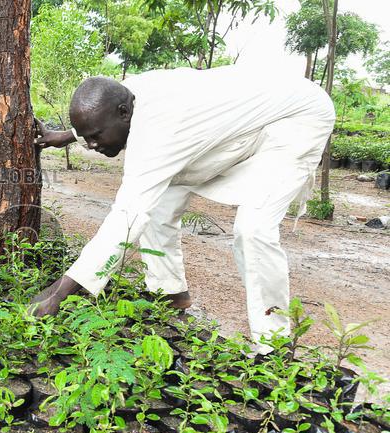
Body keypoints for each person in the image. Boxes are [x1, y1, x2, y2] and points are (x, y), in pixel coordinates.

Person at [30, 65, 335, 352]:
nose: (92, 144)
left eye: (96, 136)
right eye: (88, 136)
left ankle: (274, 346)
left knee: (254, 229)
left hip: (297, 118)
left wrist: (61, 293)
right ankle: (170, 295)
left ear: (124, 113)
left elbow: (127, 217)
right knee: (159, 204)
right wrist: (67, 136)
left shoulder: (159, 131)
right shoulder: (127, 94)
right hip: (244, 118)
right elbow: (100, 116)